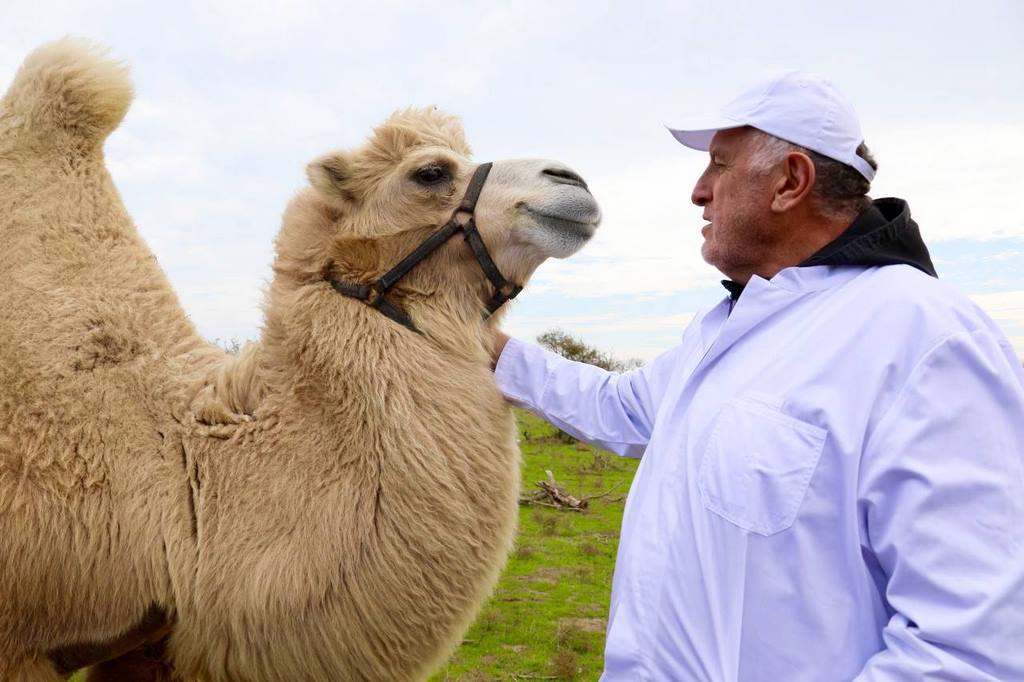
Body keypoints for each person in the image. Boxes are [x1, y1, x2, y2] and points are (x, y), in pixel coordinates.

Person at [490, 72, 1024, 681]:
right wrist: (483, 344)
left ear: (790, 182)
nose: (699, 191)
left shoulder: (925, 341)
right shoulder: (727, 328)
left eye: (720, 165)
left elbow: (969, 652)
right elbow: (623, 407)